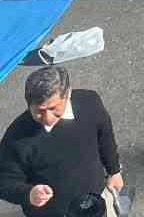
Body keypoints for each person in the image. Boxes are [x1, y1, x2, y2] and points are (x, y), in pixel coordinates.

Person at [0, 68, 123, 216]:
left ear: (68, 93)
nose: (48, 118)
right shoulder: (16, 137)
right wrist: (28, 193)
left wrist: (114, 171)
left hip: (96, 200)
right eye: (39, 111)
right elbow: (4, 182)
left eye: (53, 108)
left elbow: (105, 137)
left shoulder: (90, 104)